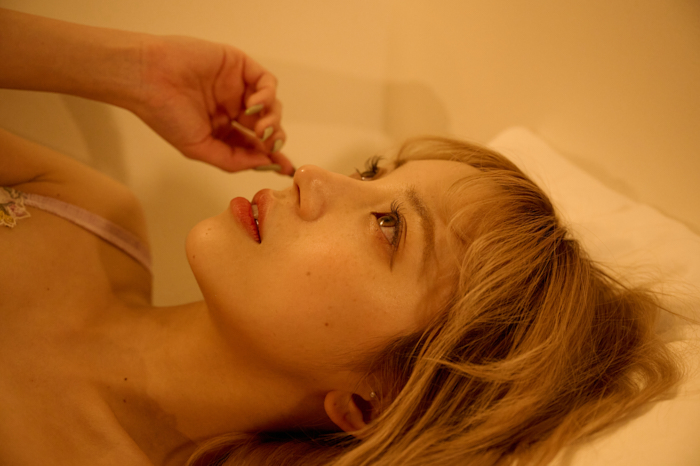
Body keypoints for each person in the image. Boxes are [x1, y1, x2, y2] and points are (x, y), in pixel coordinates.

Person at [0, 8, 681, 466]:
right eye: (371, 172)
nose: (314, 177)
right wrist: (136, 70)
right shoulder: (82, 210)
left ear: (368, 403)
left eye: (389, 227)